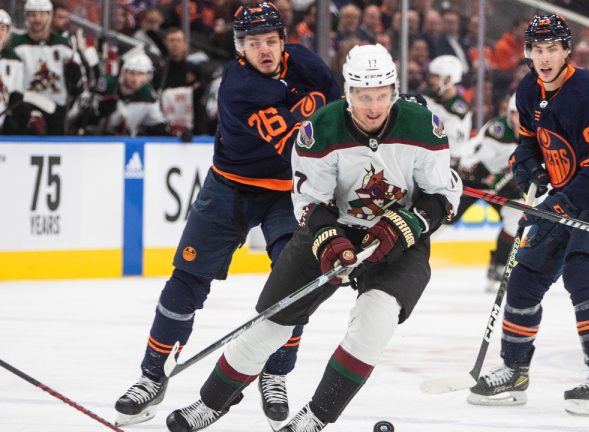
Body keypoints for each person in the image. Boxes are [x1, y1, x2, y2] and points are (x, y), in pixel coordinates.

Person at [166, 43, 462, 432]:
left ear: (393, 90)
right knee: (270, 321)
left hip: (398, 241)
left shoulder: (423, 127)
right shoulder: (317, 132)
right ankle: (210, 403)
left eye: (381, 96)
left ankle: (315, 417)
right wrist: (330, 240)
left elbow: (443, 196)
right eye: (363, 97)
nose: (373, 107)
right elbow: (309, 202)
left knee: (375, 319)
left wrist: (404, 224)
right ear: (348, 93)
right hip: (333, 229)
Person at [113, 3, 340, 428]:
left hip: (287, 194)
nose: (266, 50)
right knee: (187, 276)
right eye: (255, 44)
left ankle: (275, 371)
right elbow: (294, 139)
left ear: (282, 40)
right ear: (241, 49)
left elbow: (340, 114)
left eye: (271, 41)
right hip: (231, 187)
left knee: (295, 282)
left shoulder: (307, 62)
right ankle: (151, 375)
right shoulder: (238, 87)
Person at [467, 14, 589, 417]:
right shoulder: (530, 89)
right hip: (570, 192)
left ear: (567, 51)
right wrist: (526, 167)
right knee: (526, 274)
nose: (545, 58)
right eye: (537, 50)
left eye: (552, 50)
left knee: (583, 272)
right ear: (527, 53)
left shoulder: (585, 92)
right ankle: (514, 370)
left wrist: (555, 205)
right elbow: (528, 143)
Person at [456, 94, 524, 292]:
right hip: (477, 179)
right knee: (445, 217)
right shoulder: (498, 130)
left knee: (516, 215)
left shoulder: (538, 133)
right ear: (510, 114)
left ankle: (499, 266)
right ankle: (410, 253)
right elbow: (470, 158)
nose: (522, 120)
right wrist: (476, 175)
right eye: (517, 115)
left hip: (505, 184)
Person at [3, 0, 84, 134]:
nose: (37, 19)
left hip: (57, 111)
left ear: (50, 16)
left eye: (42, 14)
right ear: (26, 16)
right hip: (25, 110)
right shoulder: (15, 46)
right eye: (32, 14)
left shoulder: (64, 45)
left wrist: (75, 77)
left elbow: (80, 82)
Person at [69, 51, 170, 136]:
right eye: (132, 73)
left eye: (140, 74)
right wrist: (97, 112)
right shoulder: (105, 85)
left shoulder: (149, 96)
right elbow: (75, 118)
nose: (135, 79)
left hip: (126, 142)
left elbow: (156, 124)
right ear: (124, 72)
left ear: (147, 76)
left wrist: (170, 131)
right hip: (95, 140)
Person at [423, 54, 472, 168]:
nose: (430, 80)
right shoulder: (427, 97)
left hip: (443, 167)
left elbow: (454, 153)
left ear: (448, 79)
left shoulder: (458, 112)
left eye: (435, 76)